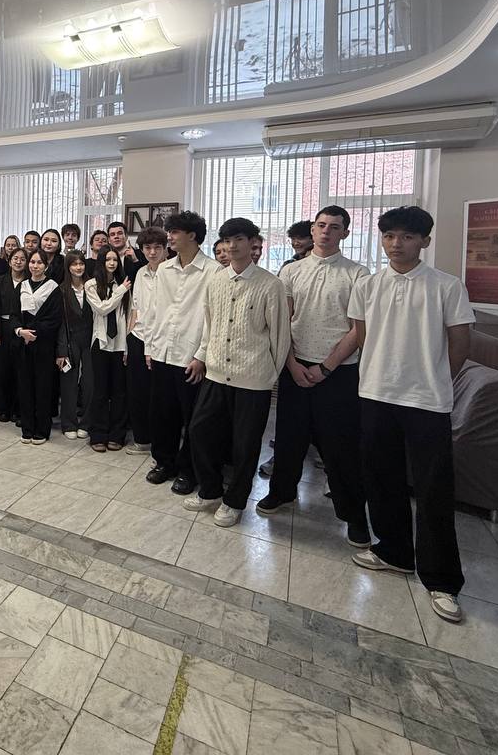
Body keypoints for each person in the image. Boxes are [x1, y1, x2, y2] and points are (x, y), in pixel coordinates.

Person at [348, 206, 474, 624]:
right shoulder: (368, 284)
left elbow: (460, 343)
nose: (395, 244)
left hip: (426, 401)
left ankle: (442, 579)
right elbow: (362, 335)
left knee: (433, 489)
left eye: (406, 236)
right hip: (375, 393)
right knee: (380, 478)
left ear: (424, 241)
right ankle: (394, 552)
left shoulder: (446, 286)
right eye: (389, 236)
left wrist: (436, 380)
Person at [258, 207, 371, 546]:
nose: (326, 231)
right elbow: (283, 323)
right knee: (289, 436)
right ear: (312, 229)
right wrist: (292, 365)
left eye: (334, 227)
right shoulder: (291, 271)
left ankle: (352, 513)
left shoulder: (358, 273)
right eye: (321, 225)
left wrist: (326, 367)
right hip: (295, 365)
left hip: (338, 370)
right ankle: (282, 492)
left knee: (340, 444)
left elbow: (358, 330)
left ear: (345, 233)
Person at [184, 218, 291, 526]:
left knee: (245, 445)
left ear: (253, 242)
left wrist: (268, 375)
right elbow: (210, 325)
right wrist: (202, 356)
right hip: (216, 373)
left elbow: (280, 336)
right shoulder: (215, 280)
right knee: (200, 432)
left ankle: (235, 502)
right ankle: (210, 491)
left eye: (239, 239)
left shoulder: (270, 285)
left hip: (252, 379)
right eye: (227, 240)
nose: (232, 246)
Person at [139, 210, 220, 494]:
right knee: (162, 414)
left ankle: (189, 470)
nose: (169, 237)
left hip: (190, 356)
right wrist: (149, 347)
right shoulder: (164, 269)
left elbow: (213, 319)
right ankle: (165, 463)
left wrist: (201, 356)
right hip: (162, 351)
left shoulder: (213, 271)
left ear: (192, 235)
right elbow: (154, 311)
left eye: (174, 232)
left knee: (193, 420)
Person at [85, 246, 131, 451]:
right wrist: (120, 291)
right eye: (108, 259)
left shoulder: (124, 284)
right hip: (101, 343)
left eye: (115, 259)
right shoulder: (91, 285)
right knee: (100, 391)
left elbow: (129, 315)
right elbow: (102, 309)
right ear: (101, 262)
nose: (112, 263)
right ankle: (98, 434)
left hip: (120, 344)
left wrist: (127, 347)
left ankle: (117, 435)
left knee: (119, 392)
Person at [15, 249, 63, 444]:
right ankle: (27, 428)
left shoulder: (53, 288)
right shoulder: (22, 285)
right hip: (23, 344)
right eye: (32, 262)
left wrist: (32, 333)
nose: (35, 266)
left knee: (43, 388)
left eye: (39, 262)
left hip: (44, 344)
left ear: (46, 265)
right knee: (25, 387)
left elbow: (54, 318)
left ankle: (42, 430)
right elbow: (14, 314)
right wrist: (21, 331)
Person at [125, 227, 166, 455]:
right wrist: (128, 340)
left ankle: (159, 442)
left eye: (157, 247)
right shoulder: (141, 272)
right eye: (147, 248)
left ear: (165, 248)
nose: (152, 252)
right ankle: (142, 440)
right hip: (138, 337)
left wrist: (151, 347)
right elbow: (136, 307)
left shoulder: (171, 272)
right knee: (137, 392)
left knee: (158, 395)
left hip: (160, 339)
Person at [55, 250, 93, 439]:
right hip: (70, 339)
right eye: (74, 264)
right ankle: (68, 423)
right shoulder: (62, 290)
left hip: (91, 339)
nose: (78, 267)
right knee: (68, 383)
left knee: (90, 383)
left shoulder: (93, 286)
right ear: (68, 267)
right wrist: (61, 351)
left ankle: (86, 423)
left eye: (81, 263)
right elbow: (60, 323)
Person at [0, 246, 27, 425]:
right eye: (15, 258)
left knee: (20, 371)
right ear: (9, 261)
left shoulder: (29, 281)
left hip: (22, 329)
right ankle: (2, 408)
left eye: (22, 259)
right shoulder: (1, 280)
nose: (18, 262)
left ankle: (18, 409)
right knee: (1, 371)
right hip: (3, 329)